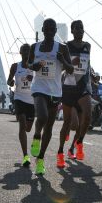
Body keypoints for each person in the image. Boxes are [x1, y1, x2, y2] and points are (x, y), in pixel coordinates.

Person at [28, 18, 73, 175]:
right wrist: (33, 66)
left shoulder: (62, 48)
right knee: (42, 116)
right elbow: (29, 64)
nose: (49, 31)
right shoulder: (35, 47)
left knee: (50, 126)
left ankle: (40, 159)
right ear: (42, 29)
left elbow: (71, 69)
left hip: (55, 91)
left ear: (55, 31)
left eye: (52, 29)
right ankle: (36, 135)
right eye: (46, 28)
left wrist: (62, 60)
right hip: (39, 87)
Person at [58, 20, 92, 168]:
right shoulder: (66, 46)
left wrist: (94, 75)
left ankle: (77, 144)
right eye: (76, 28)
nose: (79, 30)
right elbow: (62, 66)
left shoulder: (87, 46)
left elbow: (87, 64)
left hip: (83, 86)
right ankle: (60, 153)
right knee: (71, 125)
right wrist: (72, 61)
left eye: (81, 28)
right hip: (69, 86)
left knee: (88, 116)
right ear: (72, 31)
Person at [7, 44, 35, 167]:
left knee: (28, 128)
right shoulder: (15, 66)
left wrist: (33, 79)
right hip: (19, 98)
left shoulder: (35, 67)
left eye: (28, 51)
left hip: (32, 100)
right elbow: (9, 80)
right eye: (24, 51)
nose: (26, 53)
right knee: (22, 124)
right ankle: (25, 156)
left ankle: (34, 141)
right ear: (20, 52)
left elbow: (42, 80)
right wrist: (11, 82)